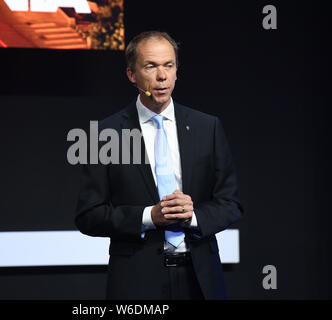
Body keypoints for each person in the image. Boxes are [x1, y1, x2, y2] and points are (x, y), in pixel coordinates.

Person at [75, 31, 243, 300]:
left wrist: (194, 217)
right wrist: (149, 217)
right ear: (132, 74)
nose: (162, 76)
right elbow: (89, 216)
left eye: (169, 65)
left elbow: (230, 204)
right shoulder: (105, 135)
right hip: (136, 282)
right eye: (151, 66)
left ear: (177, 70)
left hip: (200, 280)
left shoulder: (207, 127)